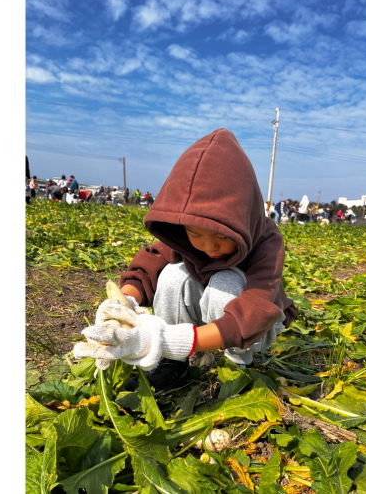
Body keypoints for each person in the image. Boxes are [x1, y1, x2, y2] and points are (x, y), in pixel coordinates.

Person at [73, 129, 298, 393]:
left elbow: (256, 309)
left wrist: (172, 340)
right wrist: (124, 303)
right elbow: (150, 265)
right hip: (206, 316)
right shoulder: (184, 236)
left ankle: (237, 367)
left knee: (224, 281)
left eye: (221, 236)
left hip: (254, 327)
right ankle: (173, 363)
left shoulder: (266, 239)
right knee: (173, 275)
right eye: (196, 235)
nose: (209, 247)